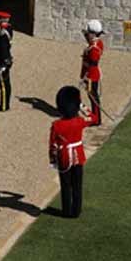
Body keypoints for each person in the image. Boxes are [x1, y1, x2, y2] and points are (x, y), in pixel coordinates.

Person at [50, 86, 91, 218]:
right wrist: (82, 106)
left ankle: (66, 211)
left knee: (66, 185)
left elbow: (52, 145)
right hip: (78, 155)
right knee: (77, 185)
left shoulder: (57, 125)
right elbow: (93, 118)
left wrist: (53, 160)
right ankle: (76, 211)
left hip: (64, 157)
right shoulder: (79, 121)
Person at [81, 20, 106, 126]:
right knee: (92, 96)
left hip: (91, 75)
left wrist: (86, 76)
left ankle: (96, 119)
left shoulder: (94, 47)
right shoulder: (95, 43)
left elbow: (93, 63)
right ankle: (96, 117)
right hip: (92, 73)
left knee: (93, 97)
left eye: (88, 34)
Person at [0, 11, 14, 112]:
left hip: (2, 62)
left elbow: (3, 50)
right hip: (6, 60)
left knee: (3, 85)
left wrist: (3, 64)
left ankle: (4, 106)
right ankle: (5, 104)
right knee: (6, 84)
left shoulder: (2, 34)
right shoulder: (8, 28)